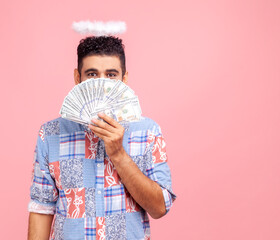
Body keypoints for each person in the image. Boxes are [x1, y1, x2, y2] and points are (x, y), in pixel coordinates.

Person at [27, 36, 176, 240]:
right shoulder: (50, 134)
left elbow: (159, 208)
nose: (101, 84)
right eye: (92, 74)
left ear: (124, 80)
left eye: (111, 75)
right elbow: (41, 208)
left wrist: (118, 154)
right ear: (77, 78)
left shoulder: (148, 131)